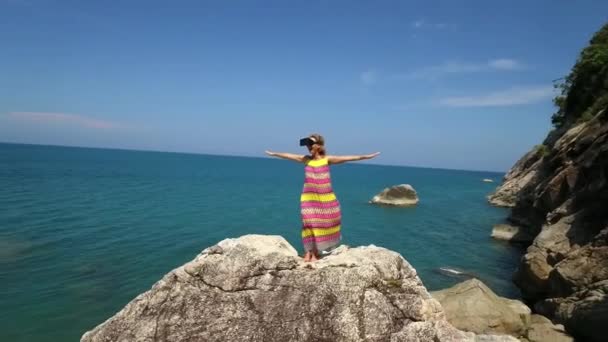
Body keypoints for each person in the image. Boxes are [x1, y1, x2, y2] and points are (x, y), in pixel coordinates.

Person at [265, 133, 380, 262]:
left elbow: (347, 158)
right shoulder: (306, 159)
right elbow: (289, 156)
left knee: (319, 226)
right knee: (308, 224)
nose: (308, 147)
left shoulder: (326, 160)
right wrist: (274, 154)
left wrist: (366, 156)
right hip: (308, 198)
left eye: (311, 143)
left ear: (319, 146)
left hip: (325, 199)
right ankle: (307, 252)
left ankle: (314, 253)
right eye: (307, 144)